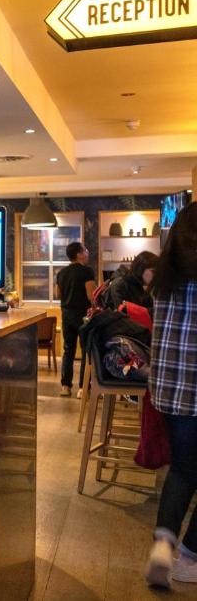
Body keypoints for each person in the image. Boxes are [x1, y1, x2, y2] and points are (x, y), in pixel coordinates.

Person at [145, 202, 197, 588]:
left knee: (183, 468)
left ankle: (163, 546)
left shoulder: (163, 279)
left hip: (169, 392)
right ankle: (190, 556)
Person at [55, 241, 97, 397]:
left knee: (68, 350)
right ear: (79, 254)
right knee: (86, 350)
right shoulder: (87, 272)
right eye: (85, 250)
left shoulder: (61, 273)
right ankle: (83, 388)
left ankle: (65, 386)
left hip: (66, 315)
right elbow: (91, 296)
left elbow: (58, 295)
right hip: (83, 315)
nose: (87, 252)